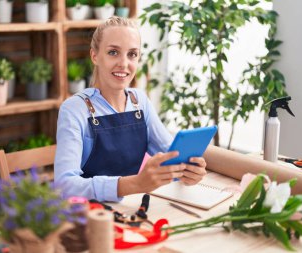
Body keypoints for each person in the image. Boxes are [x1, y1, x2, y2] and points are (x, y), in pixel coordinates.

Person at [54, 16, 207, 202]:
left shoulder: (140, 101)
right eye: (113, 52)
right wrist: (134, 184)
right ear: (95, 56)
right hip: (90, 215)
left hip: (130, 208)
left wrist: (187, 170)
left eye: (132, 54)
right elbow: (65, 186)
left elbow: (169, 157)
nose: (124, 64)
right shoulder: (74, 109)